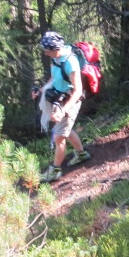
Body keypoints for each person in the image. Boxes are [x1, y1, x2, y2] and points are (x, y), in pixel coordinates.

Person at [33, 31, 92, 183]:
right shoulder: (56, 58)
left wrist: (63, 110)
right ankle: (81, 154)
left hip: (70, 101)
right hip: (59, 99)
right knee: (65, 129)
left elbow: (78, 91)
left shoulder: (70, 62)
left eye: (47, 50)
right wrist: (41, 90)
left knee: (59, 137)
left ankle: (55, 171)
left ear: (55, 49)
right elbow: (54, 78)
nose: (45, 53)